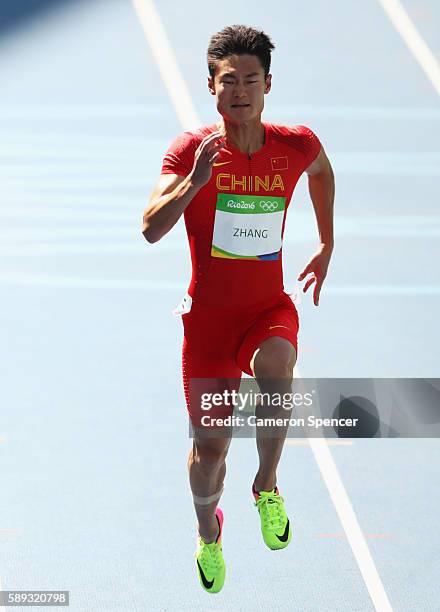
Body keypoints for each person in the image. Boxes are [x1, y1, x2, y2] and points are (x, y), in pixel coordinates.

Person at [142, 24, 335, 594]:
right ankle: (208, 532)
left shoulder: (294, 144)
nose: (241, 90)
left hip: (264, 310)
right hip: (208, 325)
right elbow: (151, 229)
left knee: (277, 367)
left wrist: (326, 241)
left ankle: (267, 486)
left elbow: (321, 170)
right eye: (230, 81)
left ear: (268, 84)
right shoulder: (190, 151)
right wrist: (195, 184)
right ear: (212, 87)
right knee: (210, 450)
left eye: (252, 79)